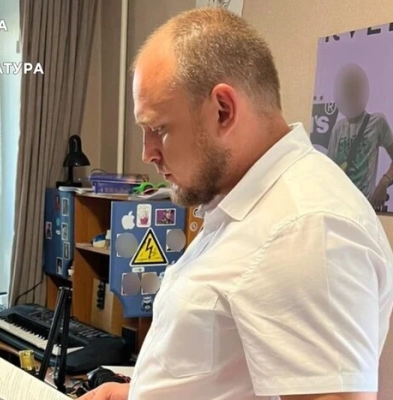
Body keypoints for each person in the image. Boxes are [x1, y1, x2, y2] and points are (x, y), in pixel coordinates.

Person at [80, 8, 393, 400]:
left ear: (223, 111)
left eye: (158, 129)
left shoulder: (305, 230)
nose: (148, 153)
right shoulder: (243, 204)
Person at [326, 63, 393, 209]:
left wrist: (384, 181)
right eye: (346, 89)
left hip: (364, 208)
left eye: (354, 88)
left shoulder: (377, 122)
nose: (350, 93)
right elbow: (330, 170)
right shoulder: (338, 128)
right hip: (340, 206)